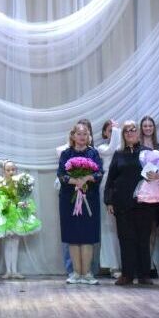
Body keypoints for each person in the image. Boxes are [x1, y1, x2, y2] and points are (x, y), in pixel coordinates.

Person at [104, 121, 157, 285]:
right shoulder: (118, 154)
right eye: (126, 130)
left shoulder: (147, 152)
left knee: (143, 238)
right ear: (123, 135)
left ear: (138, 132)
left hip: (144, 202)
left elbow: (157, 174)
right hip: (122, 203)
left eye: (133, 129)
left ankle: (144, 275)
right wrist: (109, 201)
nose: (129, 132)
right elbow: (110, 179)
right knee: (126, 239)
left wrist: (157, 175)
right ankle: (127, 274)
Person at [58, 122, 103, 285]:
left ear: (88, 136)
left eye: (85, 134)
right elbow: (61, 174)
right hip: (69, 199)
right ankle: (76, 273)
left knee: (87, 235)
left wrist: (86, 178)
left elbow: (99, 173)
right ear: (73, 136)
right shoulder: (66, 154)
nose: (82, 137)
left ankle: (87, 273)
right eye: (79, 133)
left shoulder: (93, 153)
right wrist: (75, 181)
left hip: (89, 198)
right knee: (73, 235)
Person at [0, 160, 40, 278]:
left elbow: (23, 198)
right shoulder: (1, 184)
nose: (11, 172)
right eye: (8, 170)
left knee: (15, 242)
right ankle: (8, 271)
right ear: (4, 171)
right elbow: (1, 200)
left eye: (13, 169)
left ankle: (15, 270)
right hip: (7, 214)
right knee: (7, 242)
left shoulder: (20, 184)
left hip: (17, 214)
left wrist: (23, 203)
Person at [95, 119, 122, 278]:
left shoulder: (123, 147)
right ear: (105, 133)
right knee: (109, 226)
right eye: (110, 131)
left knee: (123, 226)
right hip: (107, 186)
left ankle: (125, 263)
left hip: (122, 185)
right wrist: (117, 131)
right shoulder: (102, 148)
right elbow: (112, 148)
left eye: (115, 131)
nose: (113, 133)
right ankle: (113, 265)